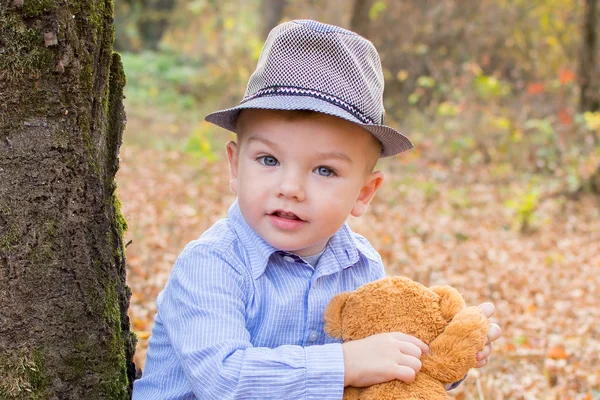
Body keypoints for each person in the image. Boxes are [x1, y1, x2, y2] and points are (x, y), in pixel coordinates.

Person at [132, 20, 501, 399]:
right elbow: (224, 379)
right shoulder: (213, 263)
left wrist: (449, 355)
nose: (290, 188)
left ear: (364, 192)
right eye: (268, 160)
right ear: (235, 167)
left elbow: (383, 363)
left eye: (324, 170)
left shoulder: (361, 266)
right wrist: (345, 363)